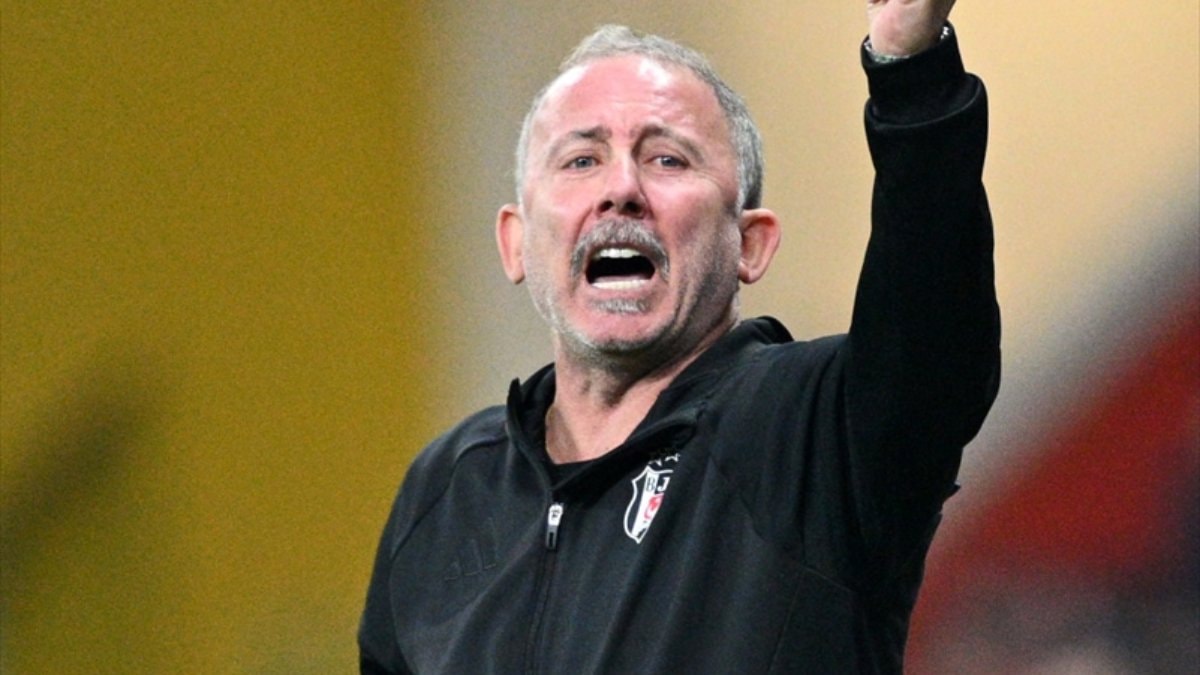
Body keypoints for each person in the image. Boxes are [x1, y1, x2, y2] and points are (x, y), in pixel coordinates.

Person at [359, 0, 999, 672]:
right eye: (580, 160)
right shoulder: (446, 491)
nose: (621, 188)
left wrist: (911, 68)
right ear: (515, 243)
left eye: (667, 159)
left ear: (750, 245)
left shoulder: (814, 435)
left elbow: (933, 331)